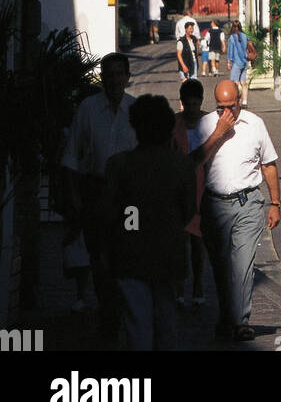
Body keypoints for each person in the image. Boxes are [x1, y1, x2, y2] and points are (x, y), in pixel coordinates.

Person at [189, 79, 280, 343]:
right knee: (220, 266)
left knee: (242, 264)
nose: (227, 113)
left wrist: (275, 203)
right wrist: (218, 132)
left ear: (240, 100)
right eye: (220, 108)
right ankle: (228, 317)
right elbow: (194, 161)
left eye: (231, 106)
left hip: (248, 202)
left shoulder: (255, 125)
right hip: (215, 204)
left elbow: (269, 165)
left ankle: (240, 321)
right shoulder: (206, 125)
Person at [104, 95, 197, 351]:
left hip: (130, 254)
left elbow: (112, 212)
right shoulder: (182, 165)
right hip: (169, 253)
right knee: (167, 319)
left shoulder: (119, 165)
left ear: (135, 127)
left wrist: (130, 227)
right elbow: (189, 210)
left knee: (137, 322)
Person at [61, 52, 137, 336]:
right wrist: (75, 200)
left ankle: (125, 313)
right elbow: (71, 158)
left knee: (129, 253)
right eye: (110, 74)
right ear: (102, 78)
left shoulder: (136, 110)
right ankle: (110, 316)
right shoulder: (88, 109)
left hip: (130, 201)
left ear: (128, 78)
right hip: (96, 194)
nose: (115, 79)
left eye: (120, 74)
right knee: (101, 258)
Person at [171, 80, 207, 307]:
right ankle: (180, 286)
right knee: (180, 242)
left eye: (196, 104)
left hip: (204, 189)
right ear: (182, 103)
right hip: (179, 191)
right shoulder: (174, 124)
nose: (193, 109)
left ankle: (198, 284)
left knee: (198, 242)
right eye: (188, 104)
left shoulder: (210, 122)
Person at [226, 21, 251, 107]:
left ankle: (237, 100)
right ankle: (245, 101)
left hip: (236, 62)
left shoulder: (232, 38)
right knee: (243, 82)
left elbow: (230, 51)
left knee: (235, 83)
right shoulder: (245, 36)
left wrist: (229, 62)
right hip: (244, 61)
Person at [177, 21, 198, 87]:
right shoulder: (181, 41)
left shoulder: (194, 39)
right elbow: (179, 55)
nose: (191, 30)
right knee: (185, 83)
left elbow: (195, 51)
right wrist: (183, 66)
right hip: (185, 63)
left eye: (192, 28)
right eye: (190, 28)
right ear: (186, 29)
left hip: (193, 62)